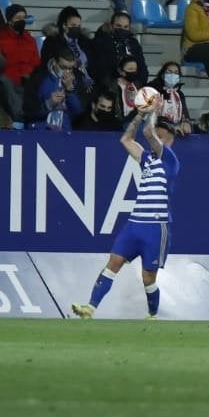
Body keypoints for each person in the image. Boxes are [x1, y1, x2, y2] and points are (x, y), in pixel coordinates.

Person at [69, 110, 177, 319]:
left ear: (169, 142)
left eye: (161, 136)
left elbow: (147, 132)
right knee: (113, 263)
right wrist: (138, 115)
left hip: (156, 227)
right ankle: (89, 309)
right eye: (157, 135)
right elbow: (126, 139)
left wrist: (151, 110)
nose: (156, 138)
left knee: (148, 278)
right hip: (134, 224)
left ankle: (152, 314)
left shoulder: (170, 161)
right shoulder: (147, 160)